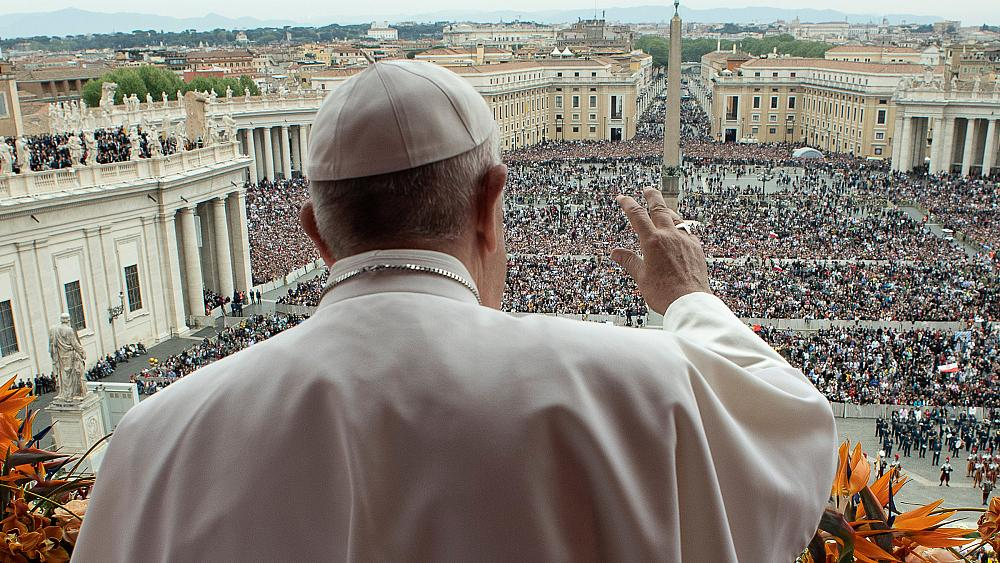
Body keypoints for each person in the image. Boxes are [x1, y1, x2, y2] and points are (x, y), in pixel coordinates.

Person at [74, 60, 837, 562]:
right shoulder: (640, 386)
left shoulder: (154, 443)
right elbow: (794, 426)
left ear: (315, 234)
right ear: (491, 204)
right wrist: (689, 298)